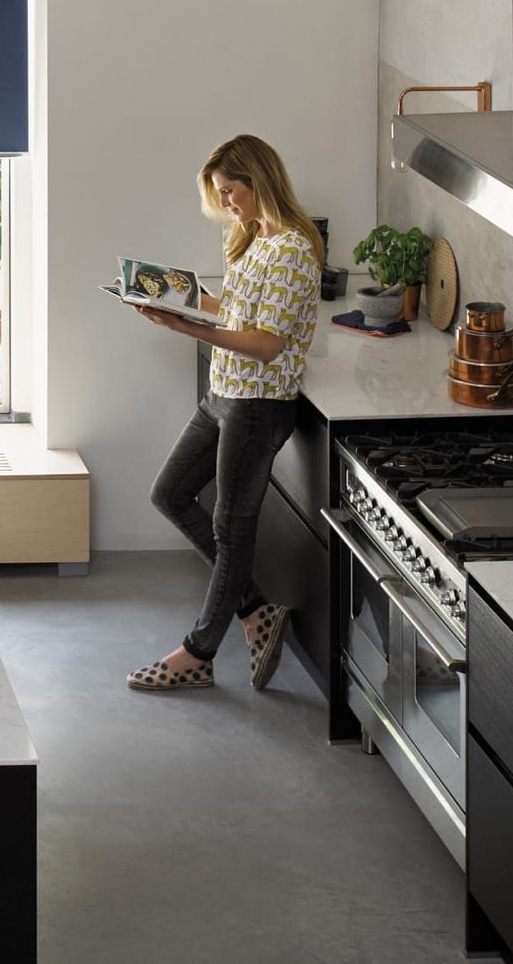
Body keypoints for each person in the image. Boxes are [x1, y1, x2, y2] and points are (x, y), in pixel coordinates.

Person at [126, 134, 323, 692]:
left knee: (231, 528)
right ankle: (257, 610)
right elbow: (237, 309)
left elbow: (266, 344)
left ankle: (198, 653)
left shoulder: (293, 249)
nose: (227, 203)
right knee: (170, 494)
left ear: (258, 181)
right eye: (220, 193)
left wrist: (184, 327)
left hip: (258, 404)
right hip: (224, 394)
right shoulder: (253, 236)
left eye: (230, 191)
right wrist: (176, 297)